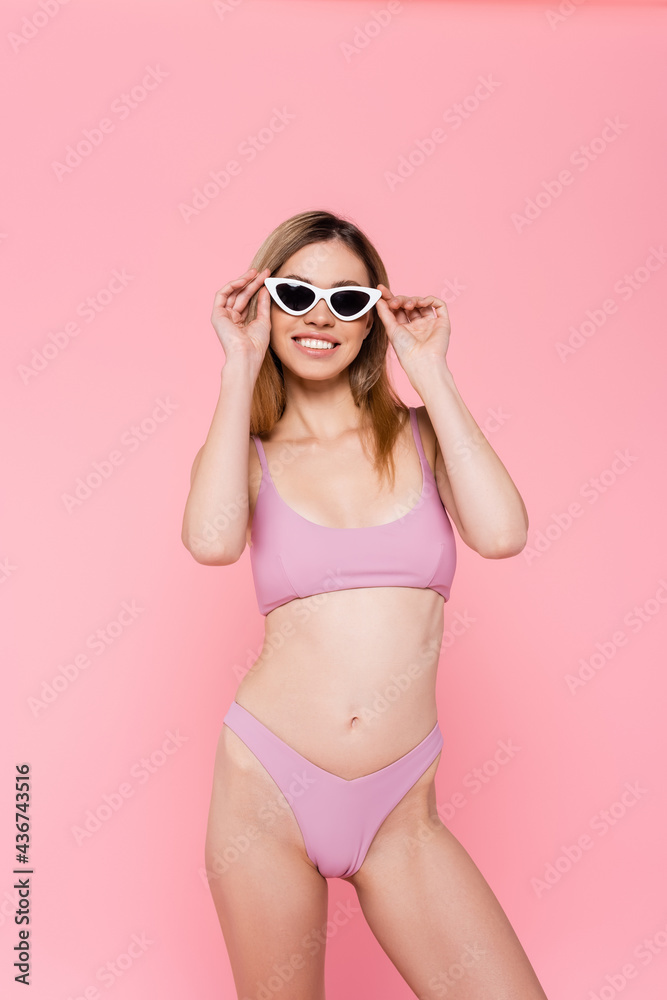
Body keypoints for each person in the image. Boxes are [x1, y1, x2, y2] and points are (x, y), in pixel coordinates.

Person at [182, 210, 549, 1000]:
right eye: (296, 293)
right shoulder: (246, 454)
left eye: (347, 301)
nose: (320, 316)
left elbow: (502, 532)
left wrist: (433, 371)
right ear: (263, 303)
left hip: (399, 811)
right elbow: (211, 542)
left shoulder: (420, 436)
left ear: (372, 319)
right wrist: (237, 368)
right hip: (266, 791)